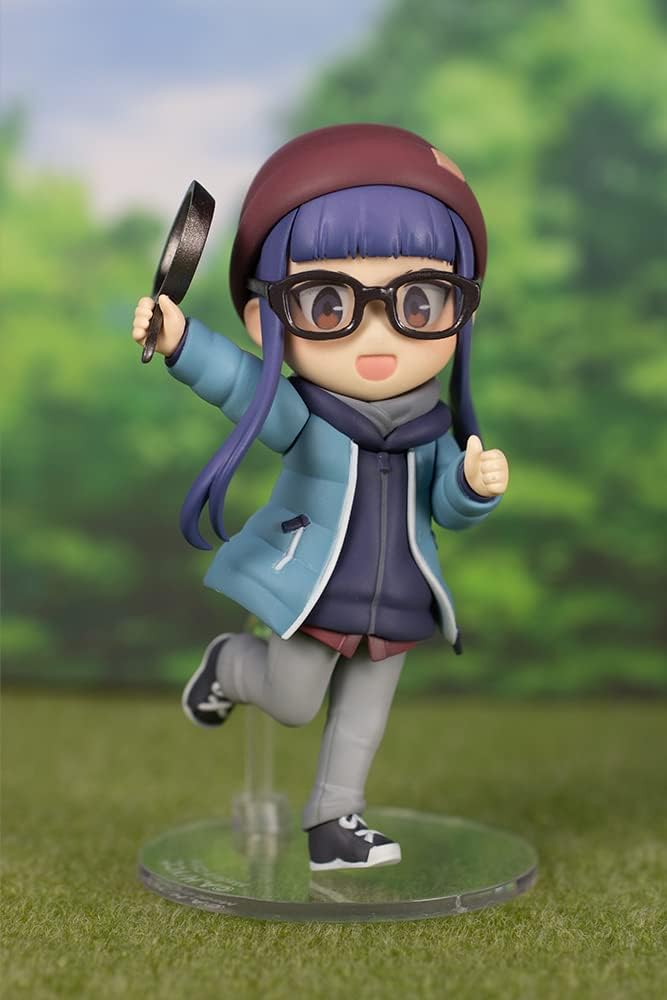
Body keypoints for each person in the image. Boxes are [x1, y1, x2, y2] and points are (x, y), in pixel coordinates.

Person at [131, 124, 509, 872]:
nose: (380, 335)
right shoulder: (306, 415)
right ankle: (229, 666)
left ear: (461, 310)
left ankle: (335, 822)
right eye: (329, 303)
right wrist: (181, 342)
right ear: (264, 317)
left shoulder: (434, 428)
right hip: (316, 589)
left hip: (401, 594)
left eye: (420, 301)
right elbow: (239, 384)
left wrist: (470, 487)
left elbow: (445, 507)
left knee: (363, 719)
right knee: (294, 700)